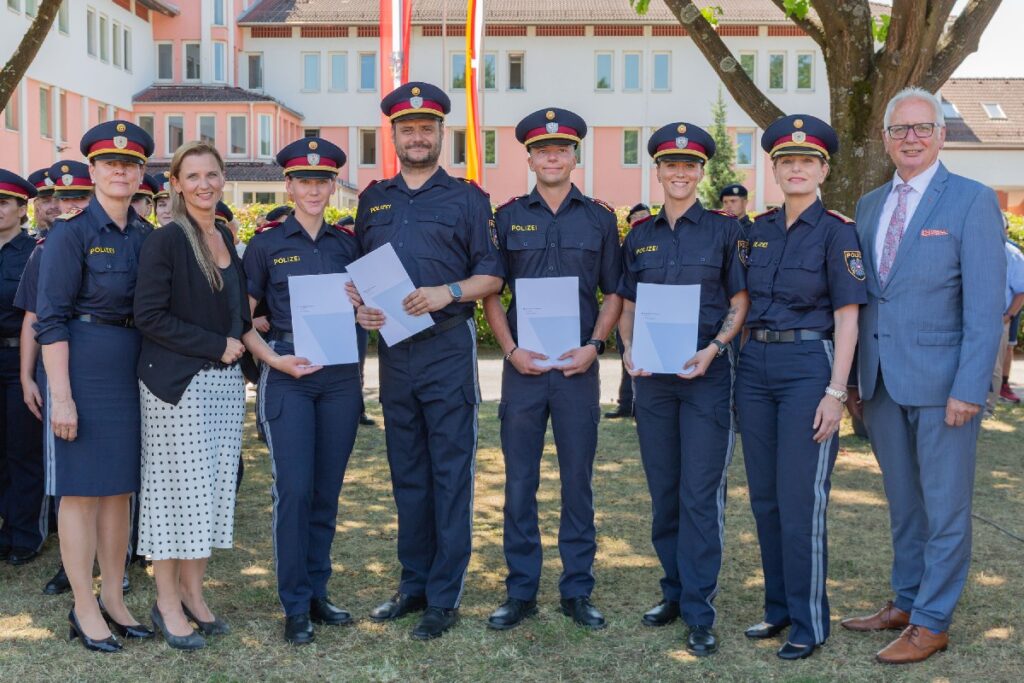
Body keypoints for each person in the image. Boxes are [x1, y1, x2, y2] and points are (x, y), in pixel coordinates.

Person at [841, 87, 1005, 665]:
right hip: (882, 383)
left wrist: (969, 387)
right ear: (885, 138)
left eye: (922, 127)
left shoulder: (972, 200)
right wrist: (857, 382)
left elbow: (986, 309)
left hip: (944, 390)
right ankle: (907, 601)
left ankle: (932, 622)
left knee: (945, 508)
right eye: (900, 129)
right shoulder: (868, 205)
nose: (911, 138)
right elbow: (864, 299)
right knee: (904, 503)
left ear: (941, 135)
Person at [351, 81, 503, 640]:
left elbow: (494, 274)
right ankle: (412, 584)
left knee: (449, 472)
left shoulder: (468, 198)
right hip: (394, 350)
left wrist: (448, 291)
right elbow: (359, 274)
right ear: (393, 135)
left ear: (442, 133)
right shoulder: (373, 199)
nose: (417, 137)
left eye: (426, 128)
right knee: (407, 473)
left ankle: (444, 595)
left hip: (445, 347)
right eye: (407, 128)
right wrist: (361, 307)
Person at [482, 108, 622, 631]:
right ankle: (520, 591)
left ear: (574, 156)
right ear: (530, 157)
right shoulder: (508, 216)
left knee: (577, 482)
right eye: (543, 150)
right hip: (523, 370)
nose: (552, 157)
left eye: (561, 149)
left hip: (577, 371)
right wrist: (511, 349)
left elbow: (615, 292)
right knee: (519, 483)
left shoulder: (601, 218)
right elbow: (492, 291)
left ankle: (577, 590)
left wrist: (595, 344)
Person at [734, 115, 866, 660]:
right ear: (773, 168)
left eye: (806, 161)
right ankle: (779, 607)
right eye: (786, 161)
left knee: (802, 499)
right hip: (754, 366)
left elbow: (849, 318)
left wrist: (836, 393)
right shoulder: (755, 230)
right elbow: (738, 306)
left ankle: (811, 621)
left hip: (809, 366)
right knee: (765, 498)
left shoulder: (839, 231)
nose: (795, 169)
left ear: (822, 170)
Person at [618, 122, 748, 657]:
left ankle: (699, 608)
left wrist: (715, 348)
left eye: (689, 165)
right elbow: (627, 304)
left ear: (701, 172)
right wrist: (626, 351)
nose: (679, 173)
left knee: (700, 495)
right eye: (670, 165)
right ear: (658, 171)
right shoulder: (641, 234)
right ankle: (671, 593)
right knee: (665, 493)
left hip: (706, 378)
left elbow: (739, 304)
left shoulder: (725, 231)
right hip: (654, 383)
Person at [34, 120, 157, 652]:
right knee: (81, 493)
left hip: (132, 370)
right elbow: (51, 319)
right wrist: (61, 395)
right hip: (80, 369)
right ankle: (84, 605)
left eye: (130, 164)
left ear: (140, 174)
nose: (121, 171)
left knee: (119, 491)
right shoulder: (71, 233)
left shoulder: (150, 237)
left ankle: (115, 599)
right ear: (93, 171)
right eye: (111, 163)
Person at [242, 136, 362, 645]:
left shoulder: (348, 244)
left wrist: (365, 308)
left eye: (323, 180)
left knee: (325, 493)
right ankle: (293, 605)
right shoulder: (266, 243)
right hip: (288, 375)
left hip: (339, 378)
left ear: (333, 185)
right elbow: (241, 318)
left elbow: (366, 310)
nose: (314, 189)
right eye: (304, 181)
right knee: (293, 490)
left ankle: (317, 591)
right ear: (288, 185)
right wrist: (272, 358)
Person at [133, 141, 253, 650]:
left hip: (223, 387)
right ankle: (166, 604)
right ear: (176, 185)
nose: (204, 183)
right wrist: (215, 345)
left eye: (212, 174)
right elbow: (150, 316)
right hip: (176, 388)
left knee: (210, 494)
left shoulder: (224, 232)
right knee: (172, 499)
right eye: (193, 176)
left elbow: (238, 320)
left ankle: (194, 595)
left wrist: (256, 351)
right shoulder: (167, 241)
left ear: (223, 178)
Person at [0, 169, 46, 567]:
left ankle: (25, 534)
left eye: (3, 203)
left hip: (20, 357)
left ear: (20, 208)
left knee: (22, 448)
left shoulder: (34, 251)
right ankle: (5, 529)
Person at [606, 203, 650, 420]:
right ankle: (625, 404)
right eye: (636, 218)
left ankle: (644, 406)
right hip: (627, 311)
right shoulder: (624, 248)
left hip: (652, 315)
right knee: (627, 359)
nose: (640, 221)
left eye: (644, 217)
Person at [335, 215, 375, 427]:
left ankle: (359, 411)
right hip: (339, 323)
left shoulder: (364, 256)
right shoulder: (336, 254)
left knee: (358, 368)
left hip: (359, 323)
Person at [988, 226, 1024, 412]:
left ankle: (988, 408)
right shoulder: (974, 248)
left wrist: (1008, 316)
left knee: (994, 366)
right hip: (969, 318)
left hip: (998, 320)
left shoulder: (1013, 254)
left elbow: (1022, 291)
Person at [27, 168, 60, 237]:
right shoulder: (30, 245)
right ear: (38, 207)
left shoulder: (84, 240)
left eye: (58, 199)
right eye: (46, 201)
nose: (53, 206)